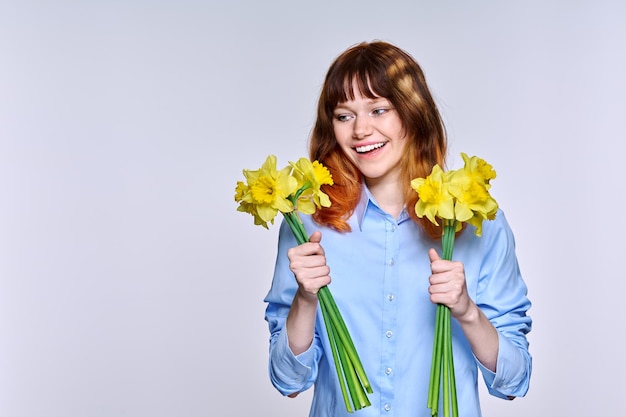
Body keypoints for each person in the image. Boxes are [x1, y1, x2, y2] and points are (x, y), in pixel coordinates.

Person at [264, 40, 532, 417]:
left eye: (379, 109)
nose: (360, 130)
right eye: (344, 115)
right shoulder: (306, 221)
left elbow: (513, 381)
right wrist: (305, 300)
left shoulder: (475, 221)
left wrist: (466, 310)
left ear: (412, 112)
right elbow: (288, 381)